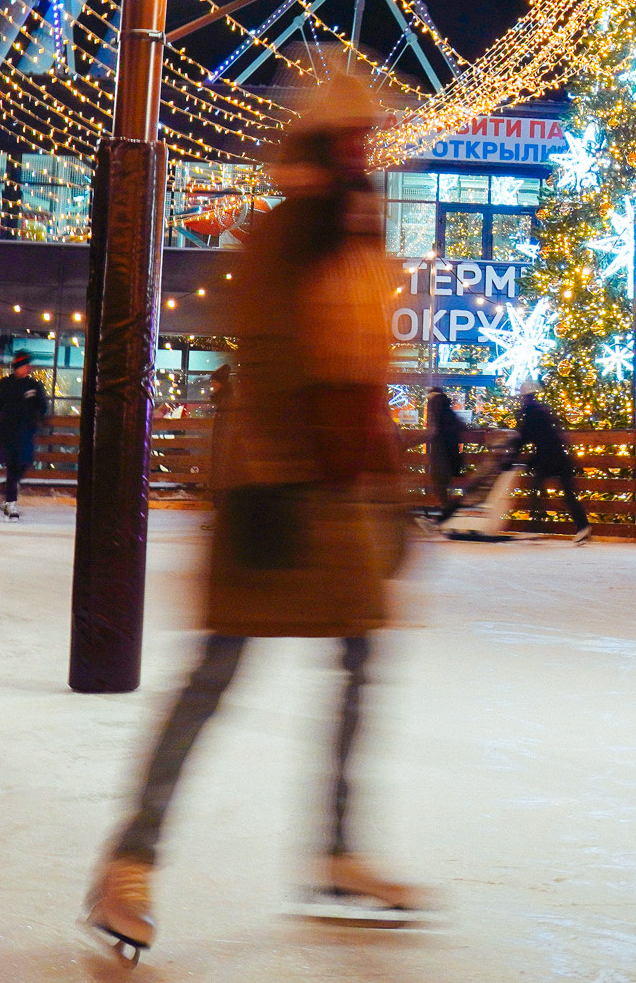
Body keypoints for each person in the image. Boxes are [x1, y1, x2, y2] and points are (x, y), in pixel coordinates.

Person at [87, 75, 422, 960]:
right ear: (316, 145)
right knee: (216, 672)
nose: (362, 151)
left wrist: (382, 477)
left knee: (358, 657)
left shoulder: (352, 225)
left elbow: (365, 362)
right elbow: (278, 354)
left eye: (365, 138)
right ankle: (128, 862)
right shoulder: (291, 228)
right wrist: (286, 471)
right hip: (275, 489)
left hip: (334, 489)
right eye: (347, 137)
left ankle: (339, 849)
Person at [512, 380, 591, 542]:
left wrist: (515, 457)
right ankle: (583, 526)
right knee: (568, 494)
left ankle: (536, 528)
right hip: (559, 457)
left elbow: (525, 437)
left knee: (535, 490)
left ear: (526, 398)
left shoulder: (532, 414)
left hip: (548, 459)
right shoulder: (542, 411)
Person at [0, 352, 49, 521]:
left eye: (29, 365)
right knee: (13, 467)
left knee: (22, 466)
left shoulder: (34, 385)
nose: (28, 368)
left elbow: (42, 407)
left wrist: (39, 410)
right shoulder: (6, 384)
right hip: (9, 433)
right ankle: (10, 502)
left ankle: (8, 492)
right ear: (17, 367)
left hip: (26, 433)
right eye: (24, 365)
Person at [424, 386, 468, 526]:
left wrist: (408, 443)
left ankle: (446, 519)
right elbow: (460, 426)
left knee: (441, 488)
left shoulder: (436, 409)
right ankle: (447, 518)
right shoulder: (447, 411)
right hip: (450, 456)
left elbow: (433, 432)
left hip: (441, 458)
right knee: (444, 489)